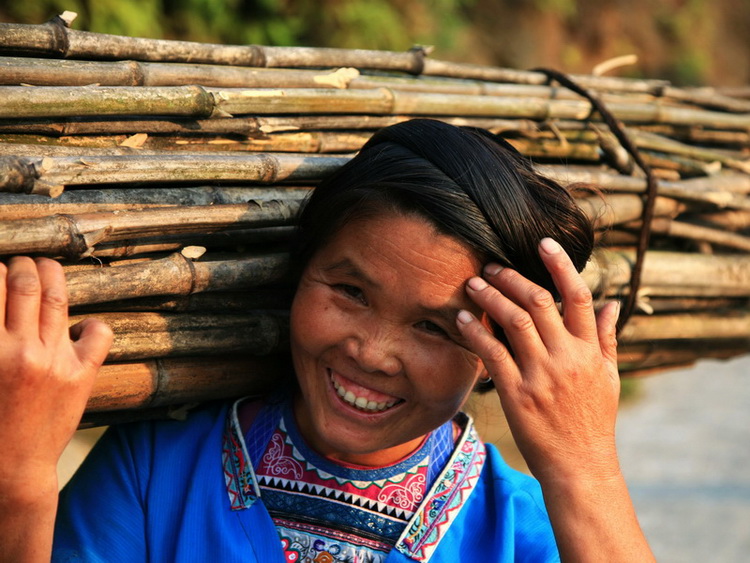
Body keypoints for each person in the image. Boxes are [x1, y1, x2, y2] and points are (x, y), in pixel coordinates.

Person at [0, 119, 654, 562]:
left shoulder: (519, 531)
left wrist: (586, 464)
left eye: (431, 325)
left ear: (494, 355)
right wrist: (22, 477)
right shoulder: (153, 472)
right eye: (351, 292)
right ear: (300, 273)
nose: (370, 351)